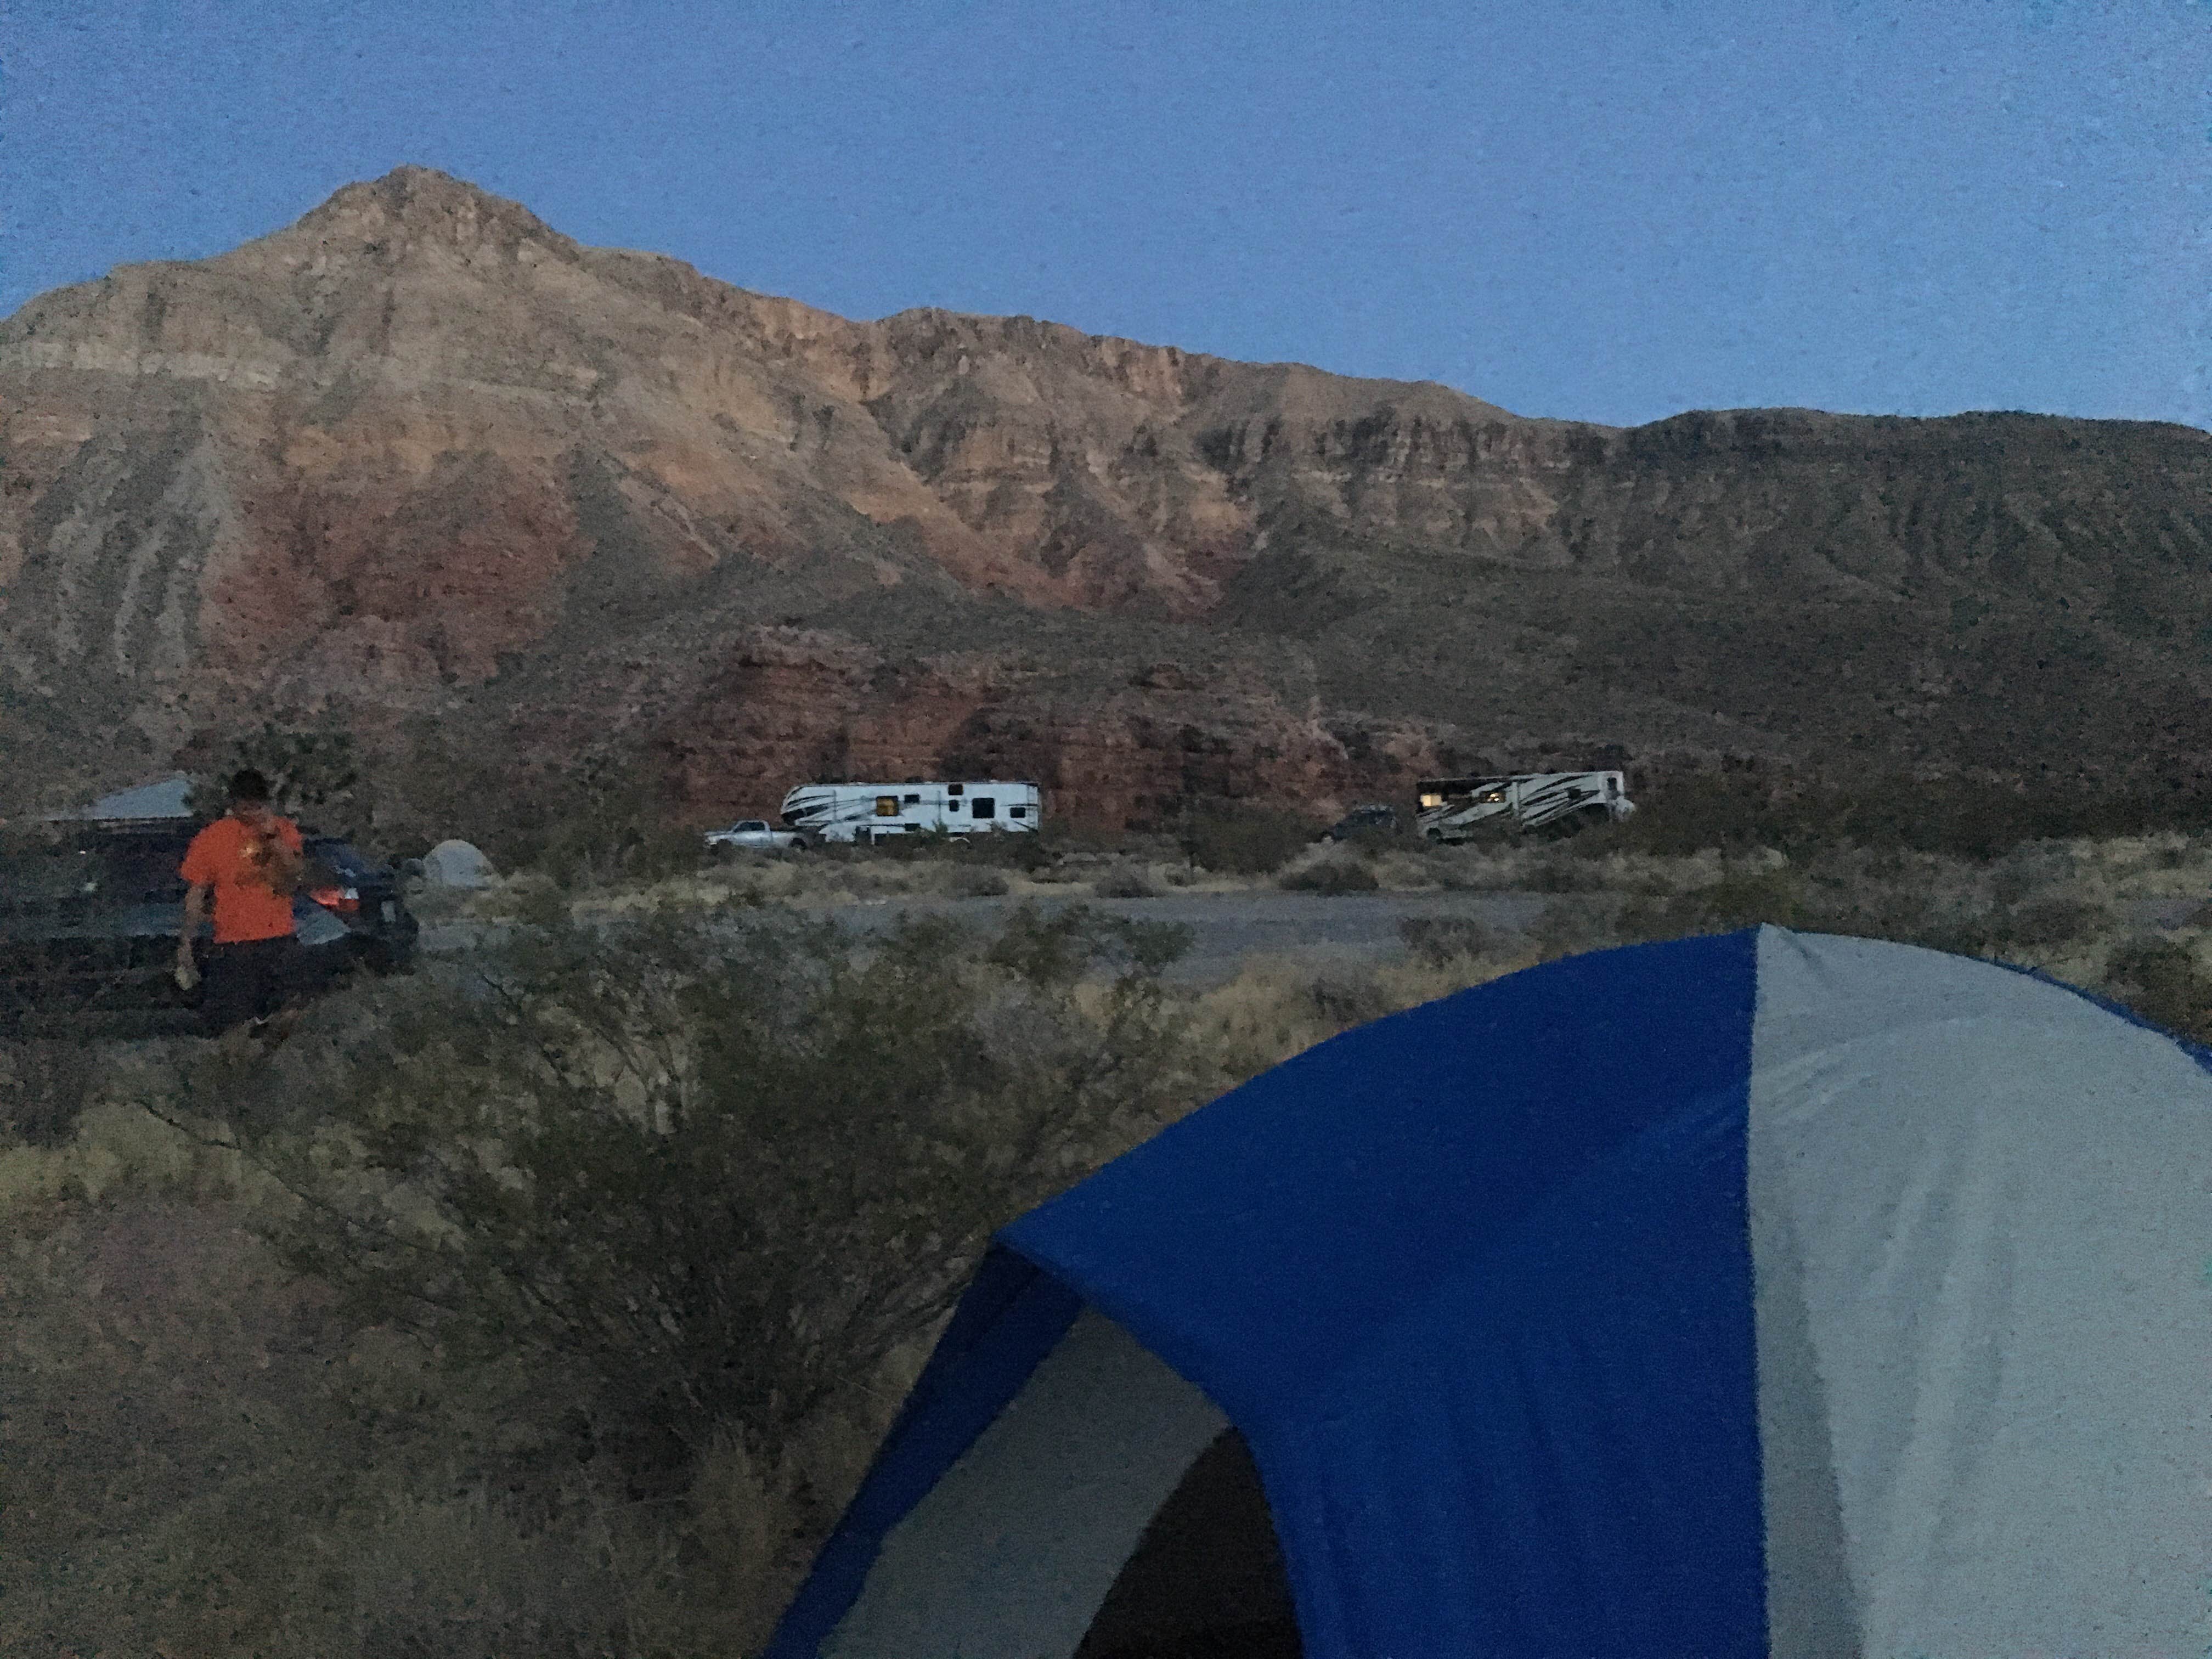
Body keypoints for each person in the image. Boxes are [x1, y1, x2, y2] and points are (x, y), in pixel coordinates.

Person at [177, 769, 304, 1041]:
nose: (250, 814)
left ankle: (270, 1059)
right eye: (244, 807)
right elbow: (196, 892)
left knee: (289, 1013)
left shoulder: (283, 831)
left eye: (256, 806)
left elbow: (294, 875)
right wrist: (186, 944)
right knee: (235, 1024)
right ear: (233, 804)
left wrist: (271, 837)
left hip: (279, 937)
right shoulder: (213, 837)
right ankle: (241, 1070)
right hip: (234, 943)